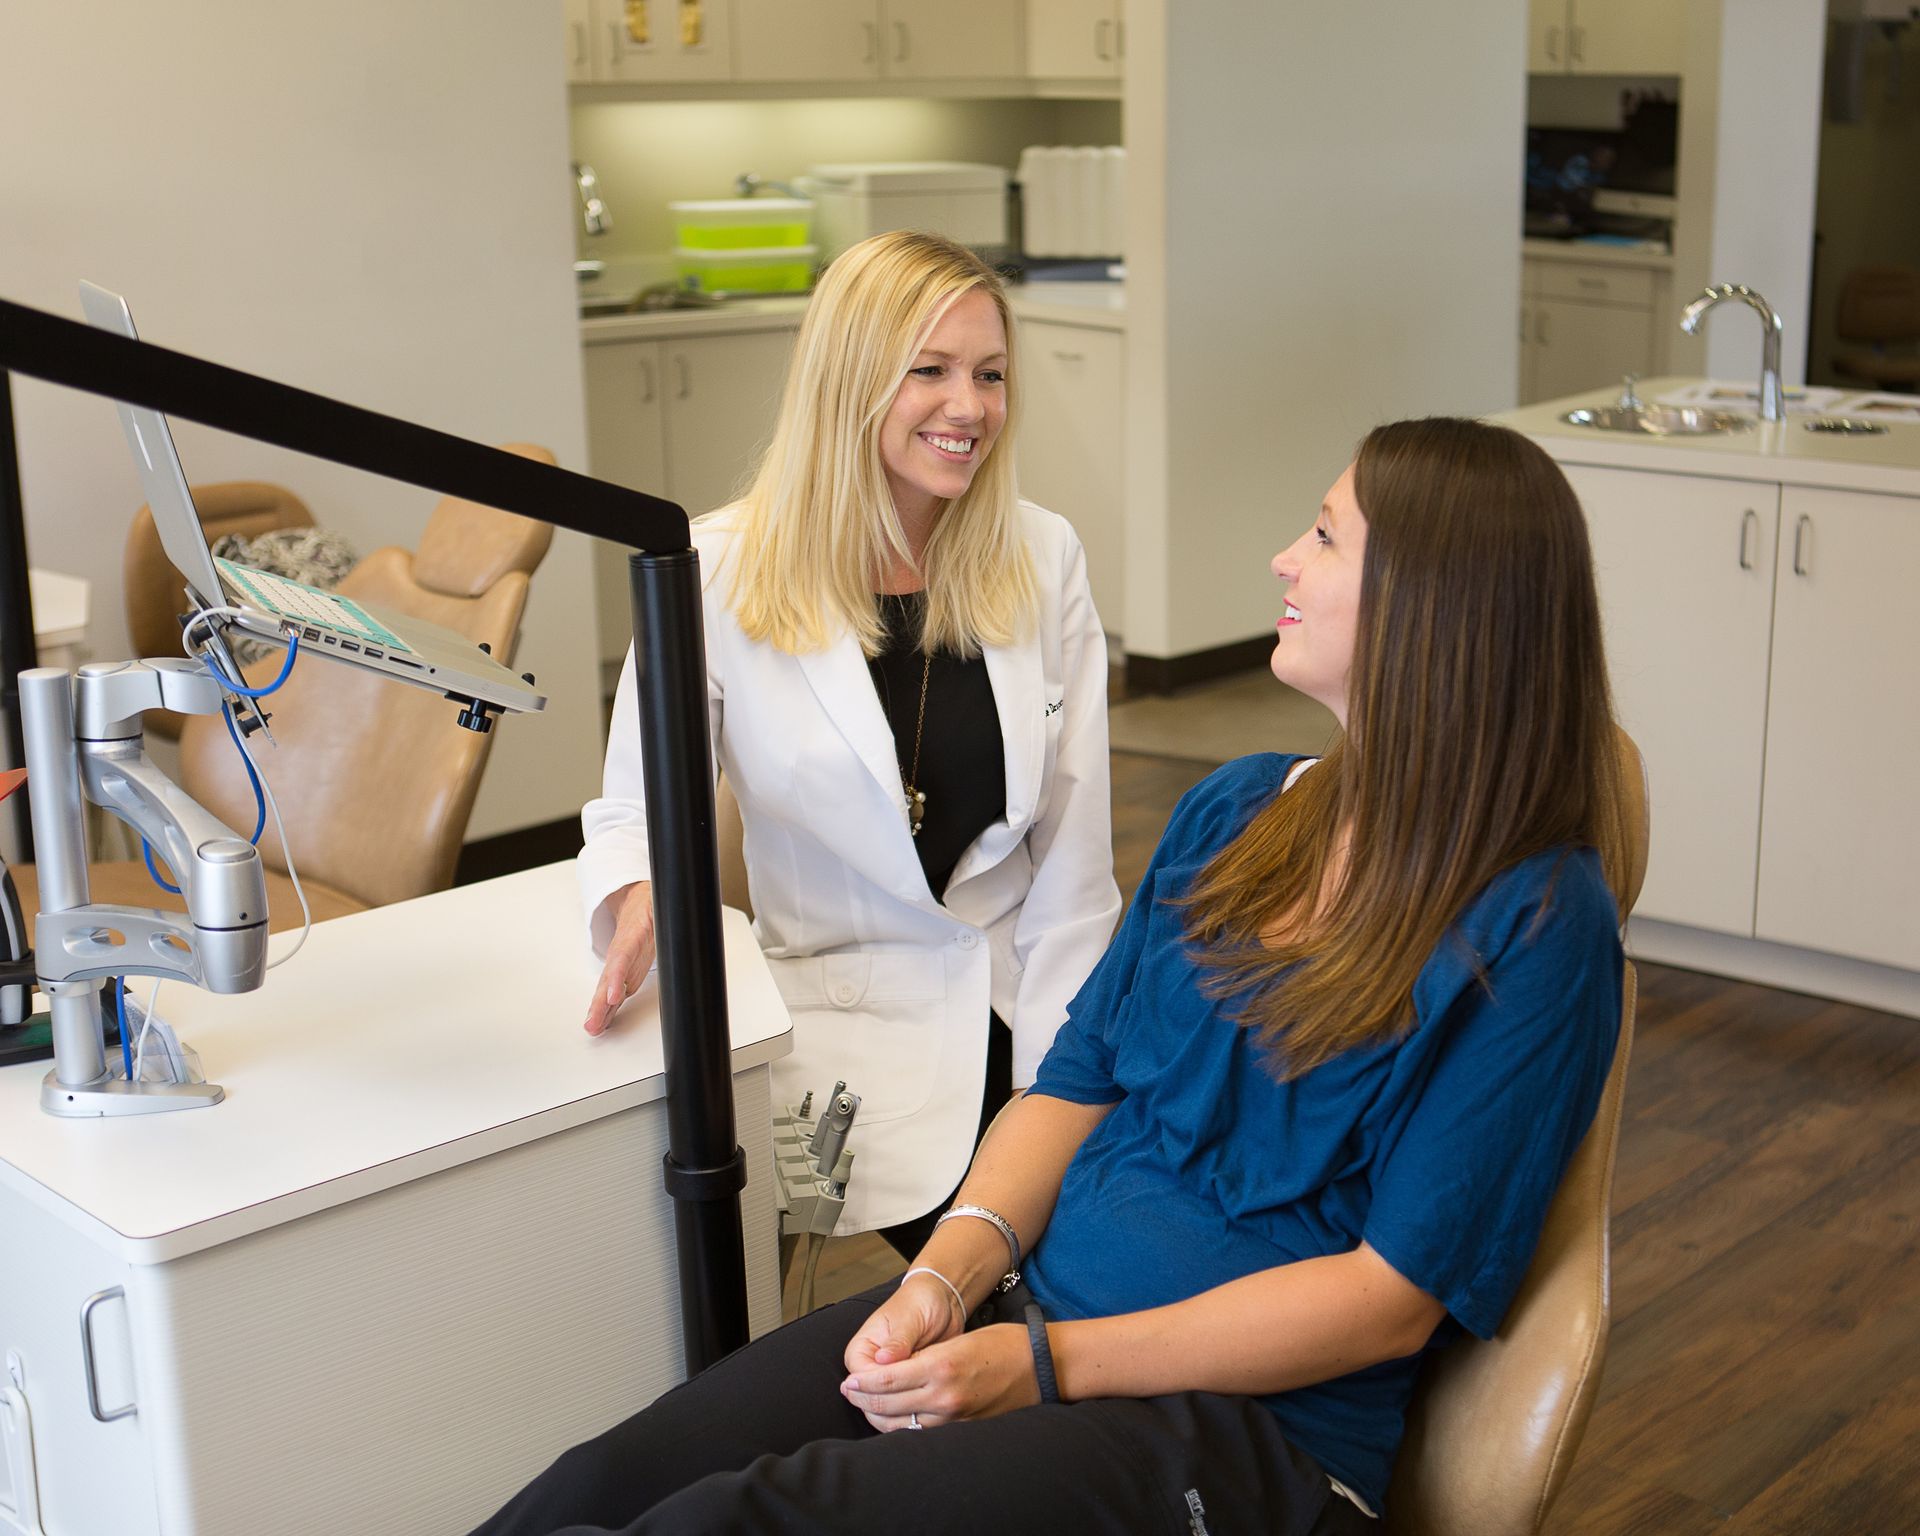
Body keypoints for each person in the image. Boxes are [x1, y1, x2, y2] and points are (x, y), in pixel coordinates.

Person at [485, 416, 1632, 1535]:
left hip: (1240, 1439)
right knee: (605, 1486)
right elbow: (1073, 1085)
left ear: (1436, 609)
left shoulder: (1538, 924)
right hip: (1026, 1308)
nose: (1284, 556)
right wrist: (943, 1277)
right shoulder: (1238, 809)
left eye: (1325, 537)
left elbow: (1389, 1301)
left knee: (734, 1523)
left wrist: (1039, 1367)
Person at [576, 230, 1122, 1256]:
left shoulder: (1040, 555)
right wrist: (640, 893)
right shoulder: (711, 569)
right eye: (930, 370)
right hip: (837, 1024)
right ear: (848, 381)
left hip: (1027, 1004)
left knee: (1104, 1253)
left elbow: (1076, 870)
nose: (971, 408)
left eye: (991, 375)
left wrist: (1062, 1091)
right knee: (936, 1310)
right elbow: (632, 812)